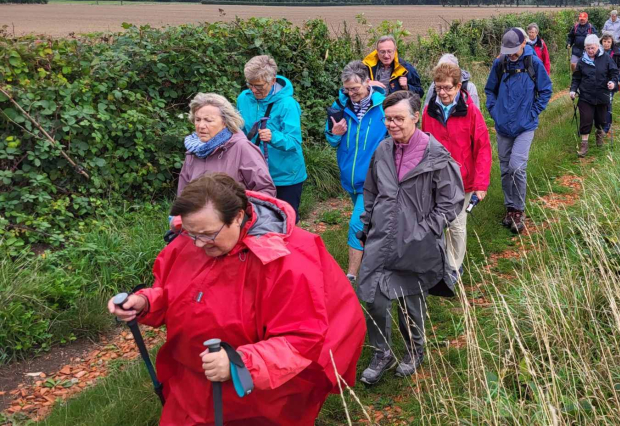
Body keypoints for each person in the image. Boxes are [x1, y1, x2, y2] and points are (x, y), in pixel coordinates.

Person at [108, 173, 366, 425]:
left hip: (259, 394)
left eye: (208, 234)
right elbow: (175, 291)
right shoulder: (194, 238)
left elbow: (302, 339)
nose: (197, 244)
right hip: (191, 385)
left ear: (238, 217)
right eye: (190, 233)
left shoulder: (287, 261)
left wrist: (238, 362)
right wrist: (145, 303)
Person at [357, 91, 464, 385]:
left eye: (398, 119)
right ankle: (382, 353)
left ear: (415, 117)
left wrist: (426, 229)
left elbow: (451, 200)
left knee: (408, 303)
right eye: (388, 119)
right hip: (380, 239)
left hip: (417, 244)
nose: (392, 124)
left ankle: (414, 351)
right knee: (372, 297)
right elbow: (371, 191)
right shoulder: (382, 151)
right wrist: (367, 223)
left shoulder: (436, 155)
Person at [421, 61, 492, 280]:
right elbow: (423, 145)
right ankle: (438, 262)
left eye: (447, 88)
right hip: (436, 179)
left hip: (463, 180)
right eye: (438, 87)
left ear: (458, 87)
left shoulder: (470, 111)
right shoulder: (428, 112)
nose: (442, 92)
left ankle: (453, 268)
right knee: (436, 223)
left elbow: (483, 148)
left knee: (457, 224)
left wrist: (481, 184)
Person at [325, 60, 388, 283]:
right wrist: (334, 133)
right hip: (349, 180)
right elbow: (331, 140)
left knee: (356, 223)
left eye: (355, 88)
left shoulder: (383, 107)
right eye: (347, 89)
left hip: (373, 179)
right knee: (370, 222)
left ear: (367, 82)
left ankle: (352, 275)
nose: (351, 93)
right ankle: (381, 255)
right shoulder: (338, 108)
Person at [485, 28, 552, 234]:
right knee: (505, 169)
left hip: (525, 126)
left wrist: (532, 113)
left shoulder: (534, 63)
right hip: (504, 125)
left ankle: (519, 209)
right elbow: (490, 90)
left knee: (516, 167)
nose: (511, 54)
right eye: (508, 50)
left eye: (514, 49)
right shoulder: (500, 63)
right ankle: (510, 208)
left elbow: (546, 90)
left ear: (524, 43)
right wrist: (495, 112)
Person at [237, 55, 308, 222]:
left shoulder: (287, 104)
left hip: (285, 176)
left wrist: (273, 136)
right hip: (255, 174)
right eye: (250, 84)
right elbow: (239, 131)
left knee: (285, 223)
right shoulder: (243, 98)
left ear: (273, 80)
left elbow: (294, 142)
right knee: (257, 222)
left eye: (259, 86)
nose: (253, 90)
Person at [178, 93, 275, 198]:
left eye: (208, 120)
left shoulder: (242, 148)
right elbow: (182, 195)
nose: (201, 126)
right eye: (197, 120)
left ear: (225, 122)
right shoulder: (193, 150)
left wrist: (239, 212)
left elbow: (265, 191)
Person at [570, 34, 620, 157]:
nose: (590, 51)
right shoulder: (582, 61)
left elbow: (614, 73)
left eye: (592, 48)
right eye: (588, 48)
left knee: (601, 120)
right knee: (586, 119)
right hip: (586, 96)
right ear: (585, 48)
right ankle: (584, 146)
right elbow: (576, 78)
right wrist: (572, 90)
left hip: (602, 94)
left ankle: (599, 135)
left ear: (597, 46)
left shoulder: (606, 58)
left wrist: (613, 83)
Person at [600, 33, 620, 136]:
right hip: (599, 81)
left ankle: (606, 127)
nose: (606, 44)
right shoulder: (597, 52)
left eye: (608, 42)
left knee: (608, 103)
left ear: (612, 43)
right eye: (604, 41)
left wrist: (618, 74)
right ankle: (600, 124)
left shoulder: (617, 53)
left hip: (612, 81)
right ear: (601, 42)